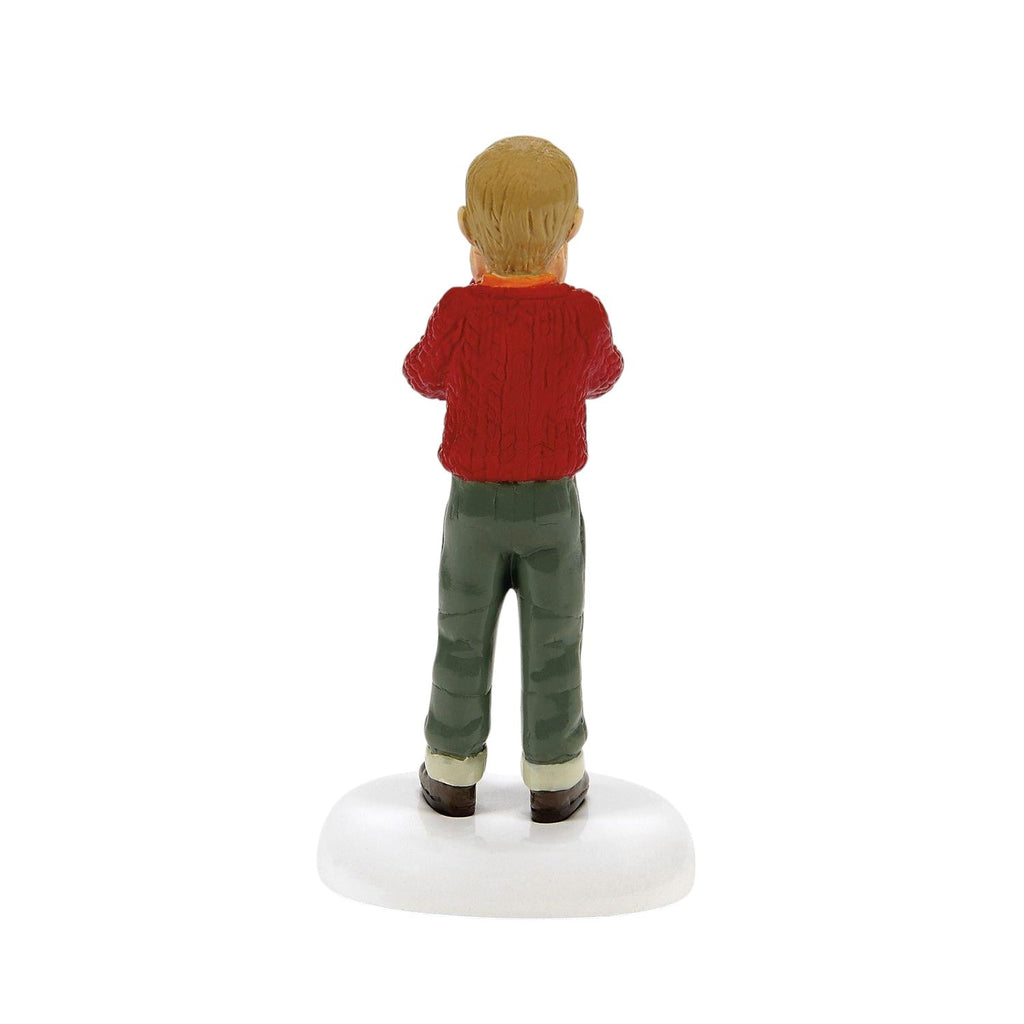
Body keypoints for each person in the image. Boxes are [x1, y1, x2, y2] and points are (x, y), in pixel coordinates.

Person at [403, 136, 623, 823]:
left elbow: (421, 374)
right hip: (553, 507)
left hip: (472, 507)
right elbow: (605, 375)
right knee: (555, 638)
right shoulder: (582, 314)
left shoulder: (458, 311)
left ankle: (450, 768)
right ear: (573, 228)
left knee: (460, 632)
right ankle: (556, 774)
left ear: (467, 231)